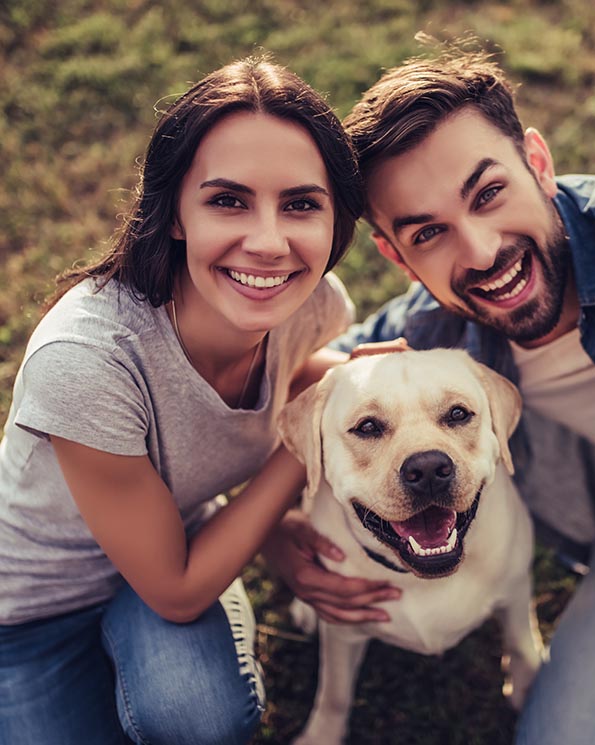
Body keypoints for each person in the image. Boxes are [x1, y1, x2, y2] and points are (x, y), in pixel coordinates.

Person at [264, 45, 595, 744]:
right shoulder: (427, 337)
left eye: (487, 193)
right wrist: (276, 532)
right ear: (397, 257)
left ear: (538, 164)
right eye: (429, 232)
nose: (482, 250)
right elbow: (280, 385)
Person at [0, 55, 378, 745]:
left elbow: (297, 375)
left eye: (300, 204)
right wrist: (313, 428)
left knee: (199, 714)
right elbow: (176, 588)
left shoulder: (309, 304)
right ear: (173, 212)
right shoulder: (87, 359)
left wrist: (361, 383)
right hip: (25, 618)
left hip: (175, 540)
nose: (268, 243)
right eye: (228, 200)